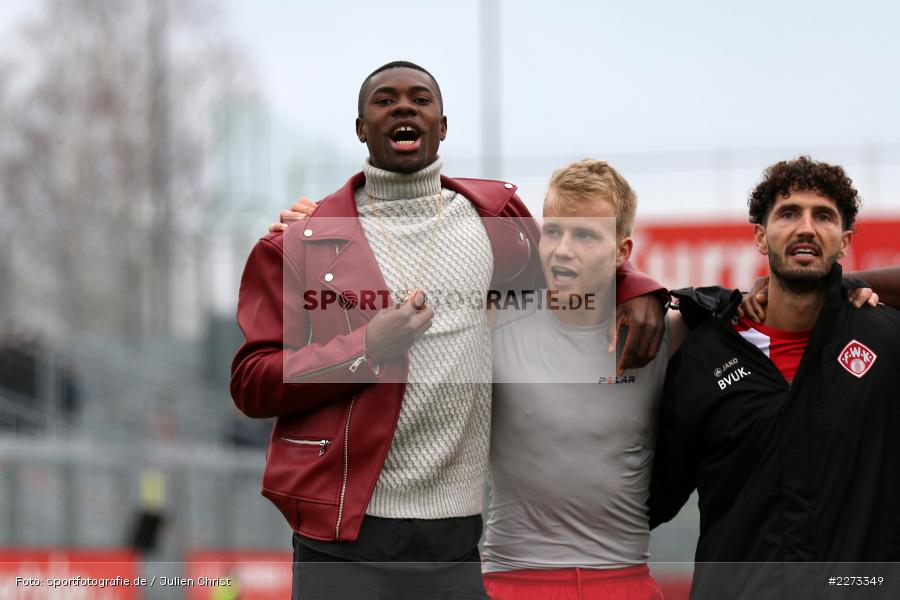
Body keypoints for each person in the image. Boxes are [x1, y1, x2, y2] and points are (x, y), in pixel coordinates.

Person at [231, 61, 666, 600]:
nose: (404, 108)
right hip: (340, 541)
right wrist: (366, 348)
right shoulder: (303, 241)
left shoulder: (496, 221)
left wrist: (637, 286)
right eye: (385, 101)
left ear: (443, 124)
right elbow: (251, 382)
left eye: (420, 99)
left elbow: (576, 259)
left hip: (456, 545)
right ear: (361, 128)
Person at [648, 156, 900, 600]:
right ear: (762, 238)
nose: (806, 227)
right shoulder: (707, 355)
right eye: (789, 213)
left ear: (843, 243)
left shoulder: (885, 340)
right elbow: (651, 500)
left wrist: (851, 283)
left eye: (823, 216)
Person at [481, 160, 683, 600]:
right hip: (512, 581)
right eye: (554, 231)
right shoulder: (494, 320)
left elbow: (780, 300)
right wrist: (312, 227)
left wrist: (850, 292)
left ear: (622, 251)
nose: (563, 249)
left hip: (623, 581)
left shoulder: (670, 333)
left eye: (586, 234)